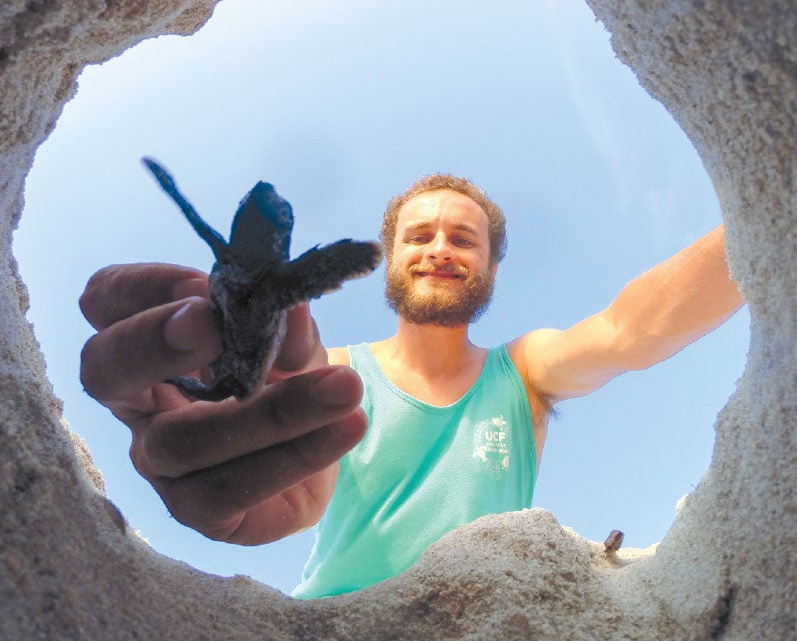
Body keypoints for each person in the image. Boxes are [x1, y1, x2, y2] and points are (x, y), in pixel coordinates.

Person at [79, 174, 745, 598]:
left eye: (464, 238)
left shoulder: (524, 374)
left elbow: (632, 329)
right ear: (391, 259)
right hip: (334, 622)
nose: (439, 249)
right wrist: (208, 423)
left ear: (488, 265)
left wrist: (765, 222)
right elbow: (264, 436)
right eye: (419, 235)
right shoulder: (331, 371)